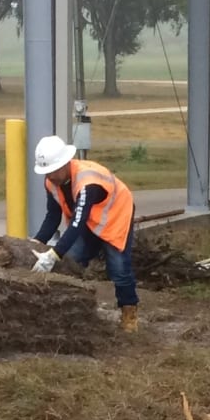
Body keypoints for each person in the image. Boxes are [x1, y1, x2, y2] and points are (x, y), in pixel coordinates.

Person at [31, 135, 140, 332]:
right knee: (72, 260)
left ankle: (129, 313)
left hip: (114, 217)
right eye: (46, 173)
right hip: (88, 220)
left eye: (52, 171)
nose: (50, 177)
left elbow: (77, 222)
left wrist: (54, 253)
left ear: (65, 163)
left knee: (118, 268)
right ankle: (70, 309)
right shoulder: (51, 182)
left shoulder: (87, 181)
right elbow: (53, 216)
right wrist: (36, 242)